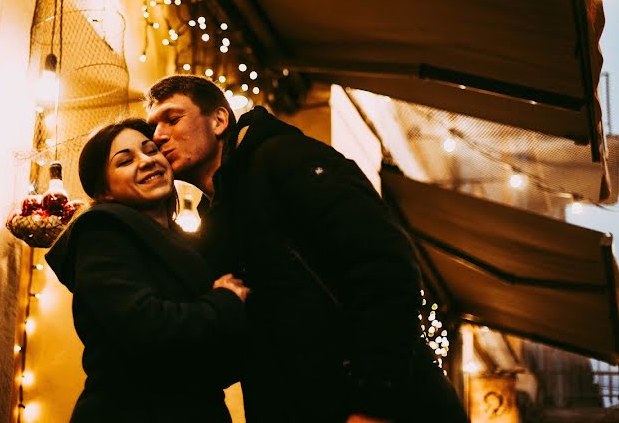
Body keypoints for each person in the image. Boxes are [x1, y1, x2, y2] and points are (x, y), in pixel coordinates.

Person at [145, 75, 469, 423]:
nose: (159, 135)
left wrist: (374, 400)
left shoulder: (282, 159)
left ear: (220, 120)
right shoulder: (215, 223)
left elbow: (383, 265)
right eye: (153, 126)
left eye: (173, 118)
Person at [45, 118, 251, 423]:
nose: (147, 161)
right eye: (125, 161)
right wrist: (226, 302)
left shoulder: (185, 244)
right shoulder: (103, 230)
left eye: (151, 150)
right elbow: (146, 326)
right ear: (105, 192)